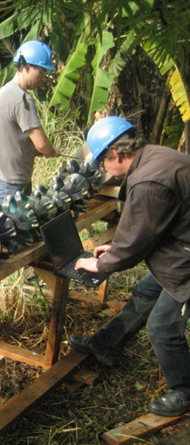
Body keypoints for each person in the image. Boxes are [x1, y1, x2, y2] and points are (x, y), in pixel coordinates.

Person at [68, 115, 190, 417]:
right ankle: (107, 344)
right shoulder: (155, 156)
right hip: (180, 247)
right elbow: (149, 227)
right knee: (146, 292)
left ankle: (184, 391)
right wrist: (116, 248)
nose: (104, 170)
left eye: (102, 163)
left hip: (185, 260)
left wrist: (102, 264)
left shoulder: (149, 182)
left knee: (162, 326)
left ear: (116, 154)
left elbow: (135, 240)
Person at [0, 40, 61, 205]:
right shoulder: (21, 98)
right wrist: (52, 152)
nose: (43, 78)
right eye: (41, 72)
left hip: (7, 178)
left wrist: (31, 150)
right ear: (26, 67)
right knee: (7, 222)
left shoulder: (5, 92)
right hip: (8, 183)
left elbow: (10, 137)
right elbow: (41, 144)